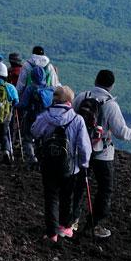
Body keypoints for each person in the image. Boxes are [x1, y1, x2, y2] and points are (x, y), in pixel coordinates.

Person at [73, 69, 131, 239]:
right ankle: (94, 225)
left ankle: (72, 221)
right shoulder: (111, 105)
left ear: (95, 80)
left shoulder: (82, 97)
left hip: (80, 150)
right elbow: (121, 132)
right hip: (102, 153)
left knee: (79, 185)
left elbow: (72, 118)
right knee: (105, 188)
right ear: (111, 86)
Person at [32, 85, 91, 241]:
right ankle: (64, 228)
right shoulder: (77, 119)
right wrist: (84, 164)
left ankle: (51, 233)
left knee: (51, 197)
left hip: (48, 164)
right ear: (69, 101)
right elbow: (84, 146)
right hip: (69, 168)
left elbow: (34, 131)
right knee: (67, 197)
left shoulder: (45, 117)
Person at [19, 59, 56, 166]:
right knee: (43, 139)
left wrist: (16, 104)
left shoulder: (30, 88)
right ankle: (42, 158)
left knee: (28, 139)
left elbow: (24, 104)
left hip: (31, 117)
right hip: (46, 119)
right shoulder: (50, 89)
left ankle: (32, 158)